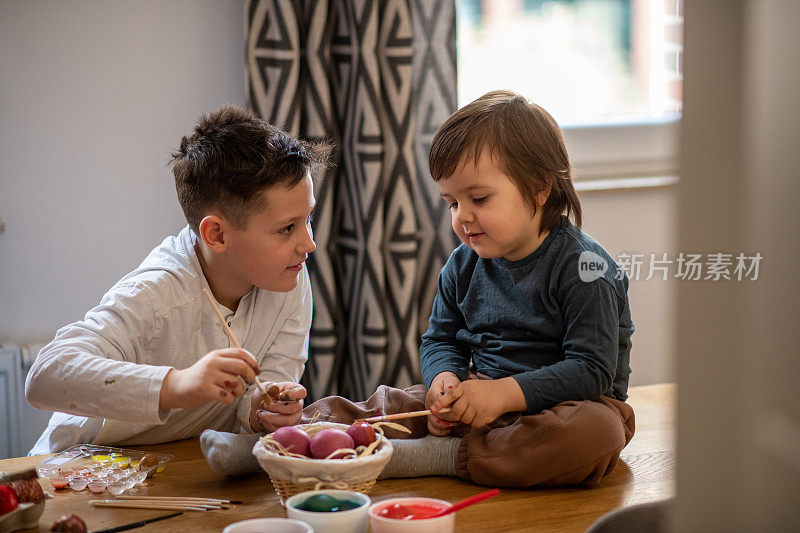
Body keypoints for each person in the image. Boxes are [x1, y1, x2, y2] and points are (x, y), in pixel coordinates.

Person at [207, 90, 634, 488]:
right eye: (452, 203)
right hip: (477, 396)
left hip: (561, 410)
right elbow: (441, 338)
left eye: (479, 199)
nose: (462, 217)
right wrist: (444, 382)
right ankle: (275, 446)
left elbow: (591, 371)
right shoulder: (463, 264)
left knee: (594, 434)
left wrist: (503, 395)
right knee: (385, 404)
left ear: (540, 189)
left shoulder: (586, 269)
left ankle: (433, 458)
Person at [25, 105, 327, 455]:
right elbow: (46, 375)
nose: (309, 244)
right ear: (216, 235)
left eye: (308, 219)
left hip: (183, 468)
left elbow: (272, 377)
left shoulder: (287, 274)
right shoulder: (156, 294)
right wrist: (177, 384)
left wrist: (263, 408)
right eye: (287, 228)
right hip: (80, 470)